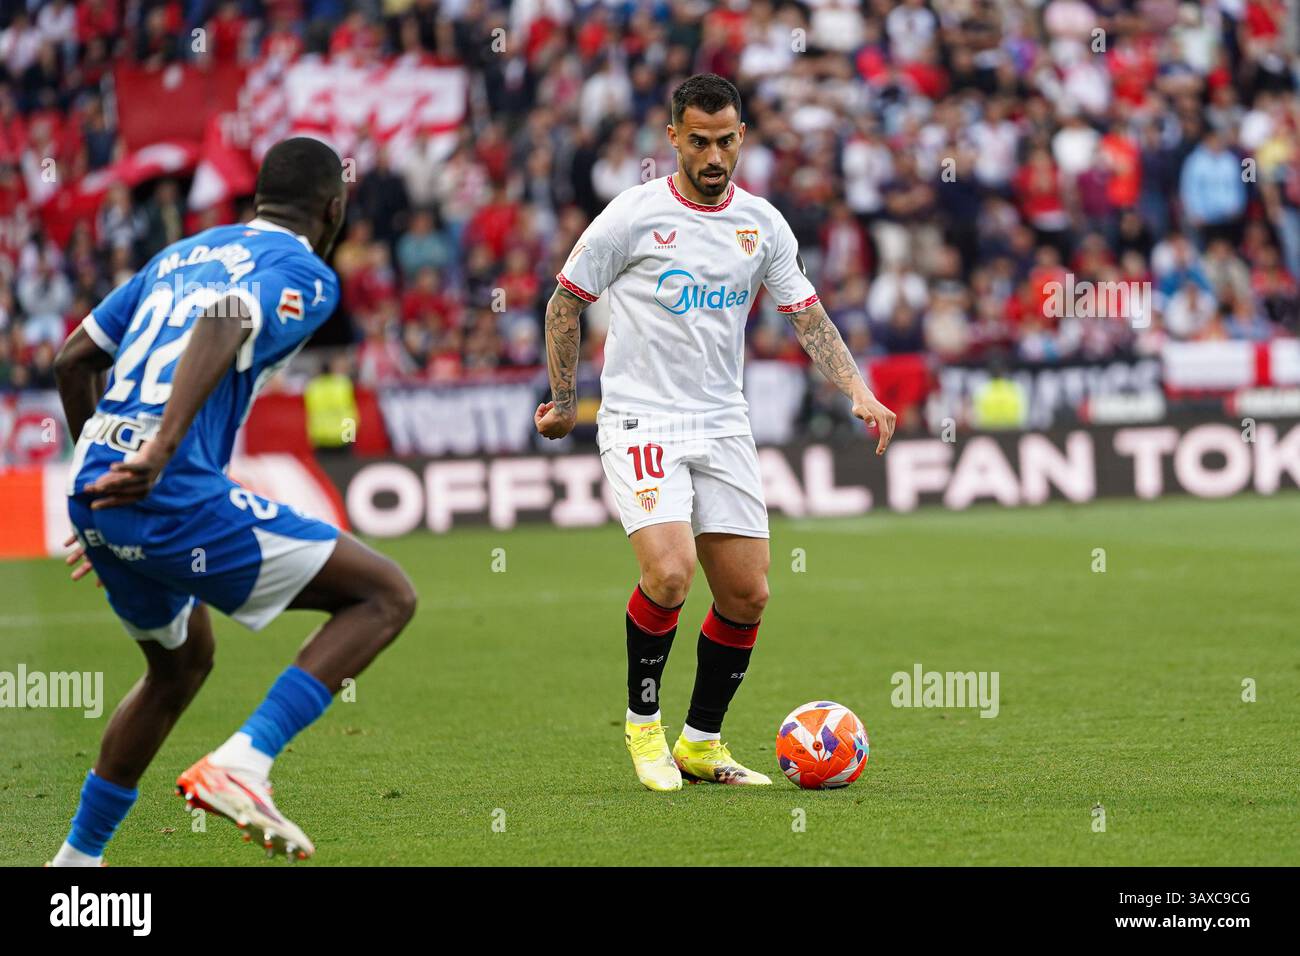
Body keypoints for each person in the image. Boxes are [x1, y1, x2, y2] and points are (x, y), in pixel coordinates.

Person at [49, 137, 417, 865]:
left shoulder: (181, 253)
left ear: (256, 199)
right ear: (333, 209)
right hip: (170, 485)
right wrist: (157, 450)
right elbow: (225, 317)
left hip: (101, 485)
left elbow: (74, 358)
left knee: (179, 666)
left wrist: (101, 480)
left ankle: (74, 866)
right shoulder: (305, 272)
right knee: (385, 595)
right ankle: (245, 760)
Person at [536, 74, 896, 792]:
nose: (713, 155)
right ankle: (645, 730)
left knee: (747, 595)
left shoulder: (761, 224)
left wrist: (858, 388)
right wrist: (564, 398)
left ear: (742, 138)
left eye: (726, 140)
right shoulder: (631, 216)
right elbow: (563, 303)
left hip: (723, 421)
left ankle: (701, 742)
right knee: (670, 573)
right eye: (698, 141)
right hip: (642, 416)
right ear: (672, 138)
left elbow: (807, 316)